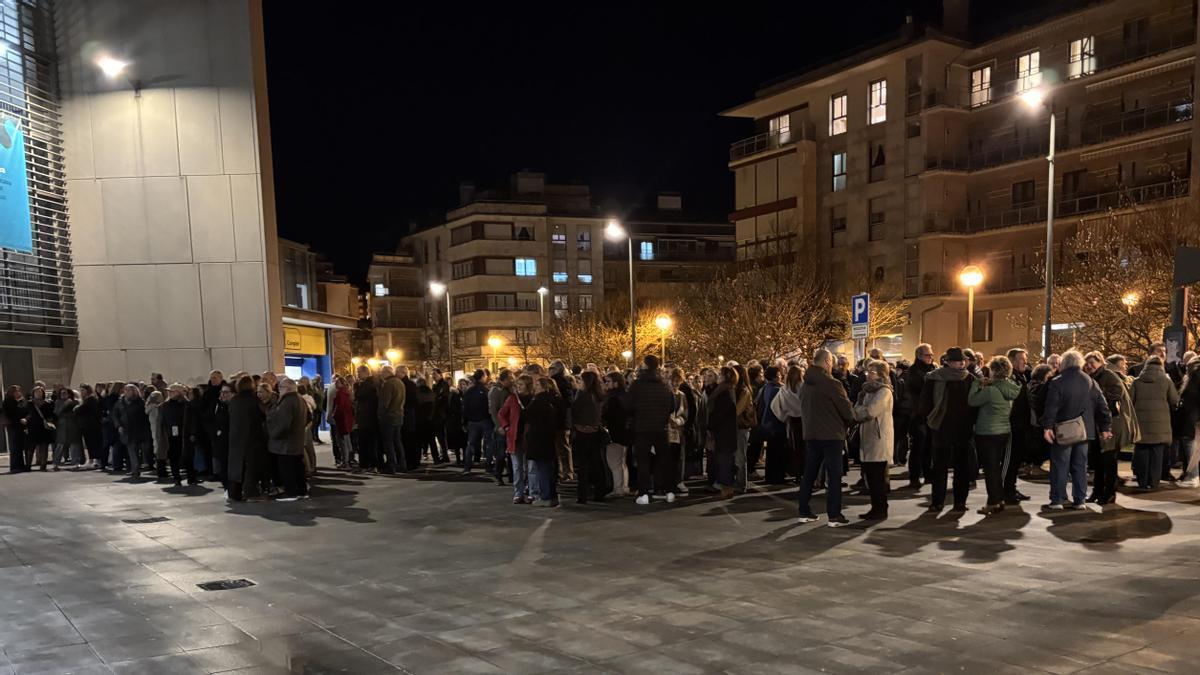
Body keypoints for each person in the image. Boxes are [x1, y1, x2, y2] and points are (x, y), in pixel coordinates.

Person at [1042, 350, 1112, 509]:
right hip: (1084, 431)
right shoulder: (1090, 381)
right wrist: (1105, 427)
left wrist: (1047, 427)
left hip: (1063, 430)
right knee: (1080, 465)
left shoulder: (1057, 382)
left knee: (1060, 465)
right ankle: (1080, 499)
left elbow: (1051, 407)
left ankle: (1058, 499)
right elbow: (1103, 406)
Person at [797, 349, 855, 527]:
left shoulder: (805, 384)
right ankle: (834, 515)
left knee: (810, 473)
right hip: (831, 434)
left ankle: (804, 510)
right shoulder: (832, 384)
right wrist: (852, 421)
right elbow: (846, 410)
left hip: (812, 434)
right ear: (827, 362)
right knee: (834, 476)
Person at [918, 347, 976, 512]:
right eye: (958, 361)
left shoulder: (969, 378)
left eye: (963, 361)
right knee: (939, 466)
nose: (961, 364)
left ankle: (960, 502)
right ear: (948, 362)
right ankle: (937, 501)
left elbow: (974, 404)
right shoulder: (935, 378)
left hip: (962, 427)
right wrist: (929, 419)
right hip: (941, 426)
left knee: (961, 466)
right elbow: (926, 401)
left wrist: (972, 422)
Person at [968, 355, 1021, 515]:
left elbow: (972, 400)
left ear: (994, 370)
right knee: (996, 468)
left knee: (990, 469)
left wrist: (977, 383)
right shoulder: (1011, 387)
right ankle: (999, 499)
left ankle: (993, 502)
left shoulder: (991, 390)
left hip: (987, 432)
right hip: (1004, 431)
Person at [628, 355, 678, 505]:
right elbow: (672, 406)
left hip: (642, 428)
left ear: (645, 365)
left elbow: (629, 406)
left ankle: (644, 493)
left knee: (643, 461)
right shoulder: (664, 385)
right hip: (661, 428)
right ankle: (668, 490)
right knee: (664, 460)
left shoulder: (637, 385)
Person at [1084, 351, 1130, 503]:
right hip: (1096, 424)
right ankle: (1097, 491)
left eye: (1093, 363)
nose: (1089, 366)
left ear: (1100, 363)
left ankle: (1109, 492)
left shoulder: (1109, 376)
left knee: (1109, 459)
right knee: (1097, 460)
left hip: (1109, 425)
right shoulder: (1089, 377)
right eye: (1087, 363)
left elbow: (1117, 393)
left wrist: (1097, 395)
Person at [1130, 355, 1180, 490]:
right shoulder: (1166, 381)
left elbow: (1130, 402)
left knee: (1141, 453)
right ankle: (1153, 482)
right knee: (1157, 455)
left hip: (1141, 425)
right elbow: (1174, 400)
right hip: (1160, 426)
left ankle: (1142, 481)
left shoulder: (1136, 382)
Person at [853, 360, 893, 520]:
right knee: (870, 476)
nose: (868, 375)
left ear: (881, 374)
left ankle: (880, 508)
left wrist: (860, 410)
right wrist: (859, 410)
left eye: (872, 372)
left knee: (877, 477)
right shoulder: (866, 392)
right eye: (867, 372)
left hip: (878, 438)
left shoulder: (884, 392)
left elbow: (871, 411)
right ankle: (876, 506)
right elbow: (857, 409)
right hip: (867, 436)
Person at [267, 377, 309, 501]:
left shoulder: (287, 402)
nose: (279, 390)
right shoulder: (299, 399)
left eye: (280, 387)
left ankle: (291, 493)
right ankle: (301, 491)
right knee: (298, 468)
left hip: (286, 443)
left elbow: (283, 423)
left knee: (287, 469)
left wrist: (273, 434)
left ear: (287, 388)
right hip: (296, 441)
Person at [228, 375, 268, 501]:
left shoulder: (234, 400)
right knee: (251, 466)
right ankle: (251, 493)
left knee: (236, 465)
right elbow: (262, 416)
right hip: (252, 437)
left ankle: (234, 493)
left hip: (236, 437)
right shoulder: (254, 400)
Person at [523, 376, 561, 507]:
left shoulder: (538, 401)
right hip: (549, 438)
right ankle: (552, 496)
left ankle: (545, 497)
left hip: (539, 438)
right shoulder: (553, 400)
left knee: (542, 468)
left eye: (538, 386)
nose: (535, 388)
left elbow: (526, 414)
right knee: (549, 468)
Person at [903, 343, 936, 489]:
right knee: (918, 446)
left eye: (931, 355)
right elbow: (921, 390)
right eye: (927, 355)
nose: (931, 357)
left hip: (930, 414)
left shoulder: (932, 369)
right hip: (918, 414)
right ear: (919, 356)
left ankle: (928, 474)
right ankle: (914, 476)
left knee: (929, 445)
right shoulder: (914, 371)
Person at [571, 370, 606, 504]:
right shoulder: (599, 396)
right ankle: (599, 492)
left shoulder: (582, 396)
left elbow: (574, 411)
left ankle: (583, 495)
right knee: (596, 464)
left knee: (583, 465)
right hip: (595, 432)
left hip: (582, 432)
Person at [498, 374, 533, 504]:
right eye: (517, 385)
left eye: (521, 385)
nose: (518, 387)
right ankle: (518, 492)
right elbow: (502, 413)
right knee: (517, 467)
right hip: (516, 437)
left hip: (529, 437)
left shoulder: (533, 398)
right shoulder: (512, 399)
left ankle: (529, 490)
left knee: (529, 467)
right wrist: (506, 427)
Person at [707, 366, 739, 499]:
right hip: (726, 432)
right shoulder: (727, 390)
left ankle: (727, 488)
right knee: (725, 460)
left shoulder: (724, 392)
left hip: (724, 433)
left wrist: (711, 425)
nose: (718, 377)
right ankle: (727, 487)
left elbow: (719, 414)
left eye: (720, 374)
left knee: (724, 461)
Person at [770, 365, 805, 483]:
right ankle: (804, 472)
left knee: (794, 448)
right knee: (804, 448)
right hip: (803, 421)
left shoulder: (784, 390)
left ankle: (796, 473)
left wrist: (783, 416)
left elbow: (775, 406)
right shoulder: (804, 389)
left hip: (792, 422)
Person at [756, 365, 788, 484]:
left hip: (767, 423)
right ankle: (777, 476)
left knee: (771, 451)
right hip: (776, 424)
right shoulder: (776, 389)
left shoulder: (766, 388)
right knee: (778, 452)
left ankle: (770, 476)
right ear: (776, 376)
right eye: (779, 374)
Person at [601, 371, 630, 497]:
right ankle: (624, 486)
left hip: (615, 433)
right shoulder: (626, 395)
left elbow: (609, 416)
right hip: (625, 433)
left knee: (614, 462)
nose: (605, 384)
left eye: (607, 382)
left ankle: (618, 488)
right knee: (622, 462)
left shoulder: (613, 398)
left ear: (615, 383)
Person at [160, 384, 195, 486]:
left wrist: (192, 433)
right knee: (173, 457)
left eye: (172, 391)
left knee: (187, 457)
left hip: (185, 434)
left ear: (179, 393)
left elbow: (192, 420)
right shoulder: (165, 405)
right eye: (169, 391)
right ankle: (176, 478)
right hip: (171, 435)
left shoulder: (187, 405)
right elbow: (163, 421)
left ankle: (191, 477)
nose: (169, 393)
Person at [115, 384, 150, 479]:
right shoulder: (120, 402)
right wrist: (119, 426)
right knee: (131, 450)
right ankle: (135, 470)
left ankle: (136, 468)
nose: (126, 392)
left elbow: (144, 416)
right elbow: (115, 415)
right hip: (126, 430)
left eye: (129, 390)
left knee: (138, 450)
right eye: (125, 390)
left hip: (138, 429)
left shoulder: (140, 402)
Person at [377, 364, 406, 474]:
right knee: (397, 441)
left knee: (388, 443)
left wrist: (380, 414)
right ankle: (402, 464)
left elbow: (385, 403)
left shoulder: (388, 384)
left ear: (387, 372)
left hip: (389, 417)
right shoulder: (400, 383)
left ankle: (391, 465)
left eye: (382, 372)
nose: (381, 374)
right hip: (399, 415)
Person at [462, 369, 491, 476]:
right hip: (485, 420)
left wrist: (465, 421)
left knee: (470, 444)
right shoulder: (485, 390)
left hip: (472, 421)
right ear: (482, 377)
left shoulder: (469, 391)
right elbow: (489, 406)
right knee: (488, 444)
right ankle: (488, 467)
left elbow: (465, 407)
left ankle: (467, 467)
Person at [488, 370, 513, 486]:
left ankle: (511, 476)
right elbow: (493, 410)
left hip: (511, 424)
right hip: (501, 426)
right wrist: (499, 426)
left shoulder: (509, 390)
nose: (512, 381)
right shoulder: (496, 391)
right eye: (510, 379)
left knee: (510, 453)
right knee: (501, 453)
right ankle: (498, 475)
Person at [1178, 356, 1200, 487]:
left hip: (1194, 419)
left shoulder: (1194, 377)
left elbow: (1192, 399)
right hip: (1195, 418)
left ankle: (1192, 476)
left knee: (1193, 448)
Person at [354, 365, 380, 472]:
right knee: (369, 443)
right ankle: (370, 464)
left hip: (367, 419)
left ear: (365, 372)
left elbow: (358, 396)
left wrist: (356, 387)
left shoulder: (368, 385)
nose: (357, 374)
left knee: (365, 443)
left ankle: (366, 465)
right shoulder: (371, 384)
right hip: (369, 418)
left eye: (359, 372)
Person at [330, 376, 355, 469]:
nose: (335, 384)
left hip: (341, 420)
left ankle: (345, 462)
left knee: (342, 442)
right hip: (347, 419)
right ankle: (349, 460)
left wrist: (333, 414)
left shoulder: (340, 393)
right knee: (347, 440)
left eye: (337, 382)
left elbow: (339, 407)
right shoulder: (347, 392)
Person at [3, 385, 27, 473]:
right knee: (15, 447)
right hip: (13, 425)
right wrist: (19, 401)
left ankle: (20, 465)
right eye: (16, 391)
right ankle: (15, 466)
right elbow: (14, 412)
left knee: (19, 447)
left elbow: (25, 410)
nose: (18, 392)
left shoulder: (20, 400)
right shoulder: (9, 401)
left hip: (19, 425)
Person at [145, 390, 168, 478]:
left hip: (153, 428)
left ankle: (160, 468)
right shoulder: (157, 408)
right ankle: (161, 469)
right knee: (160, 447)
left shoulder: (149, 407)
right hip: (158, 428)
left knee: (157, 446)